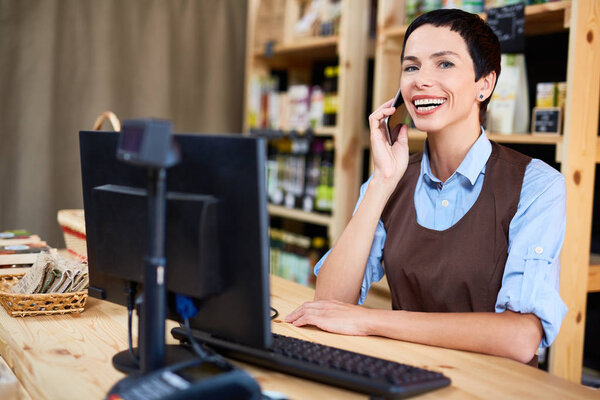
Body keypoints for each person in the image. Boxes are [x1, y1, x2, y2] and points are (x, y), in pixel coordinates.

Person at [285, 9, 567, 366]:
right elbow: (329, 300)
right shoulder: (392, 177)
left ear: (485, 84)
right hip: (404, 378)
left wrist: (372, 320)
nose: (421, 80)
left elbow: (522, 337)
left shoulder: (537, 185)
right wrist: (382, 182)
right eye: (412, 67)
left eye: (444, 64)